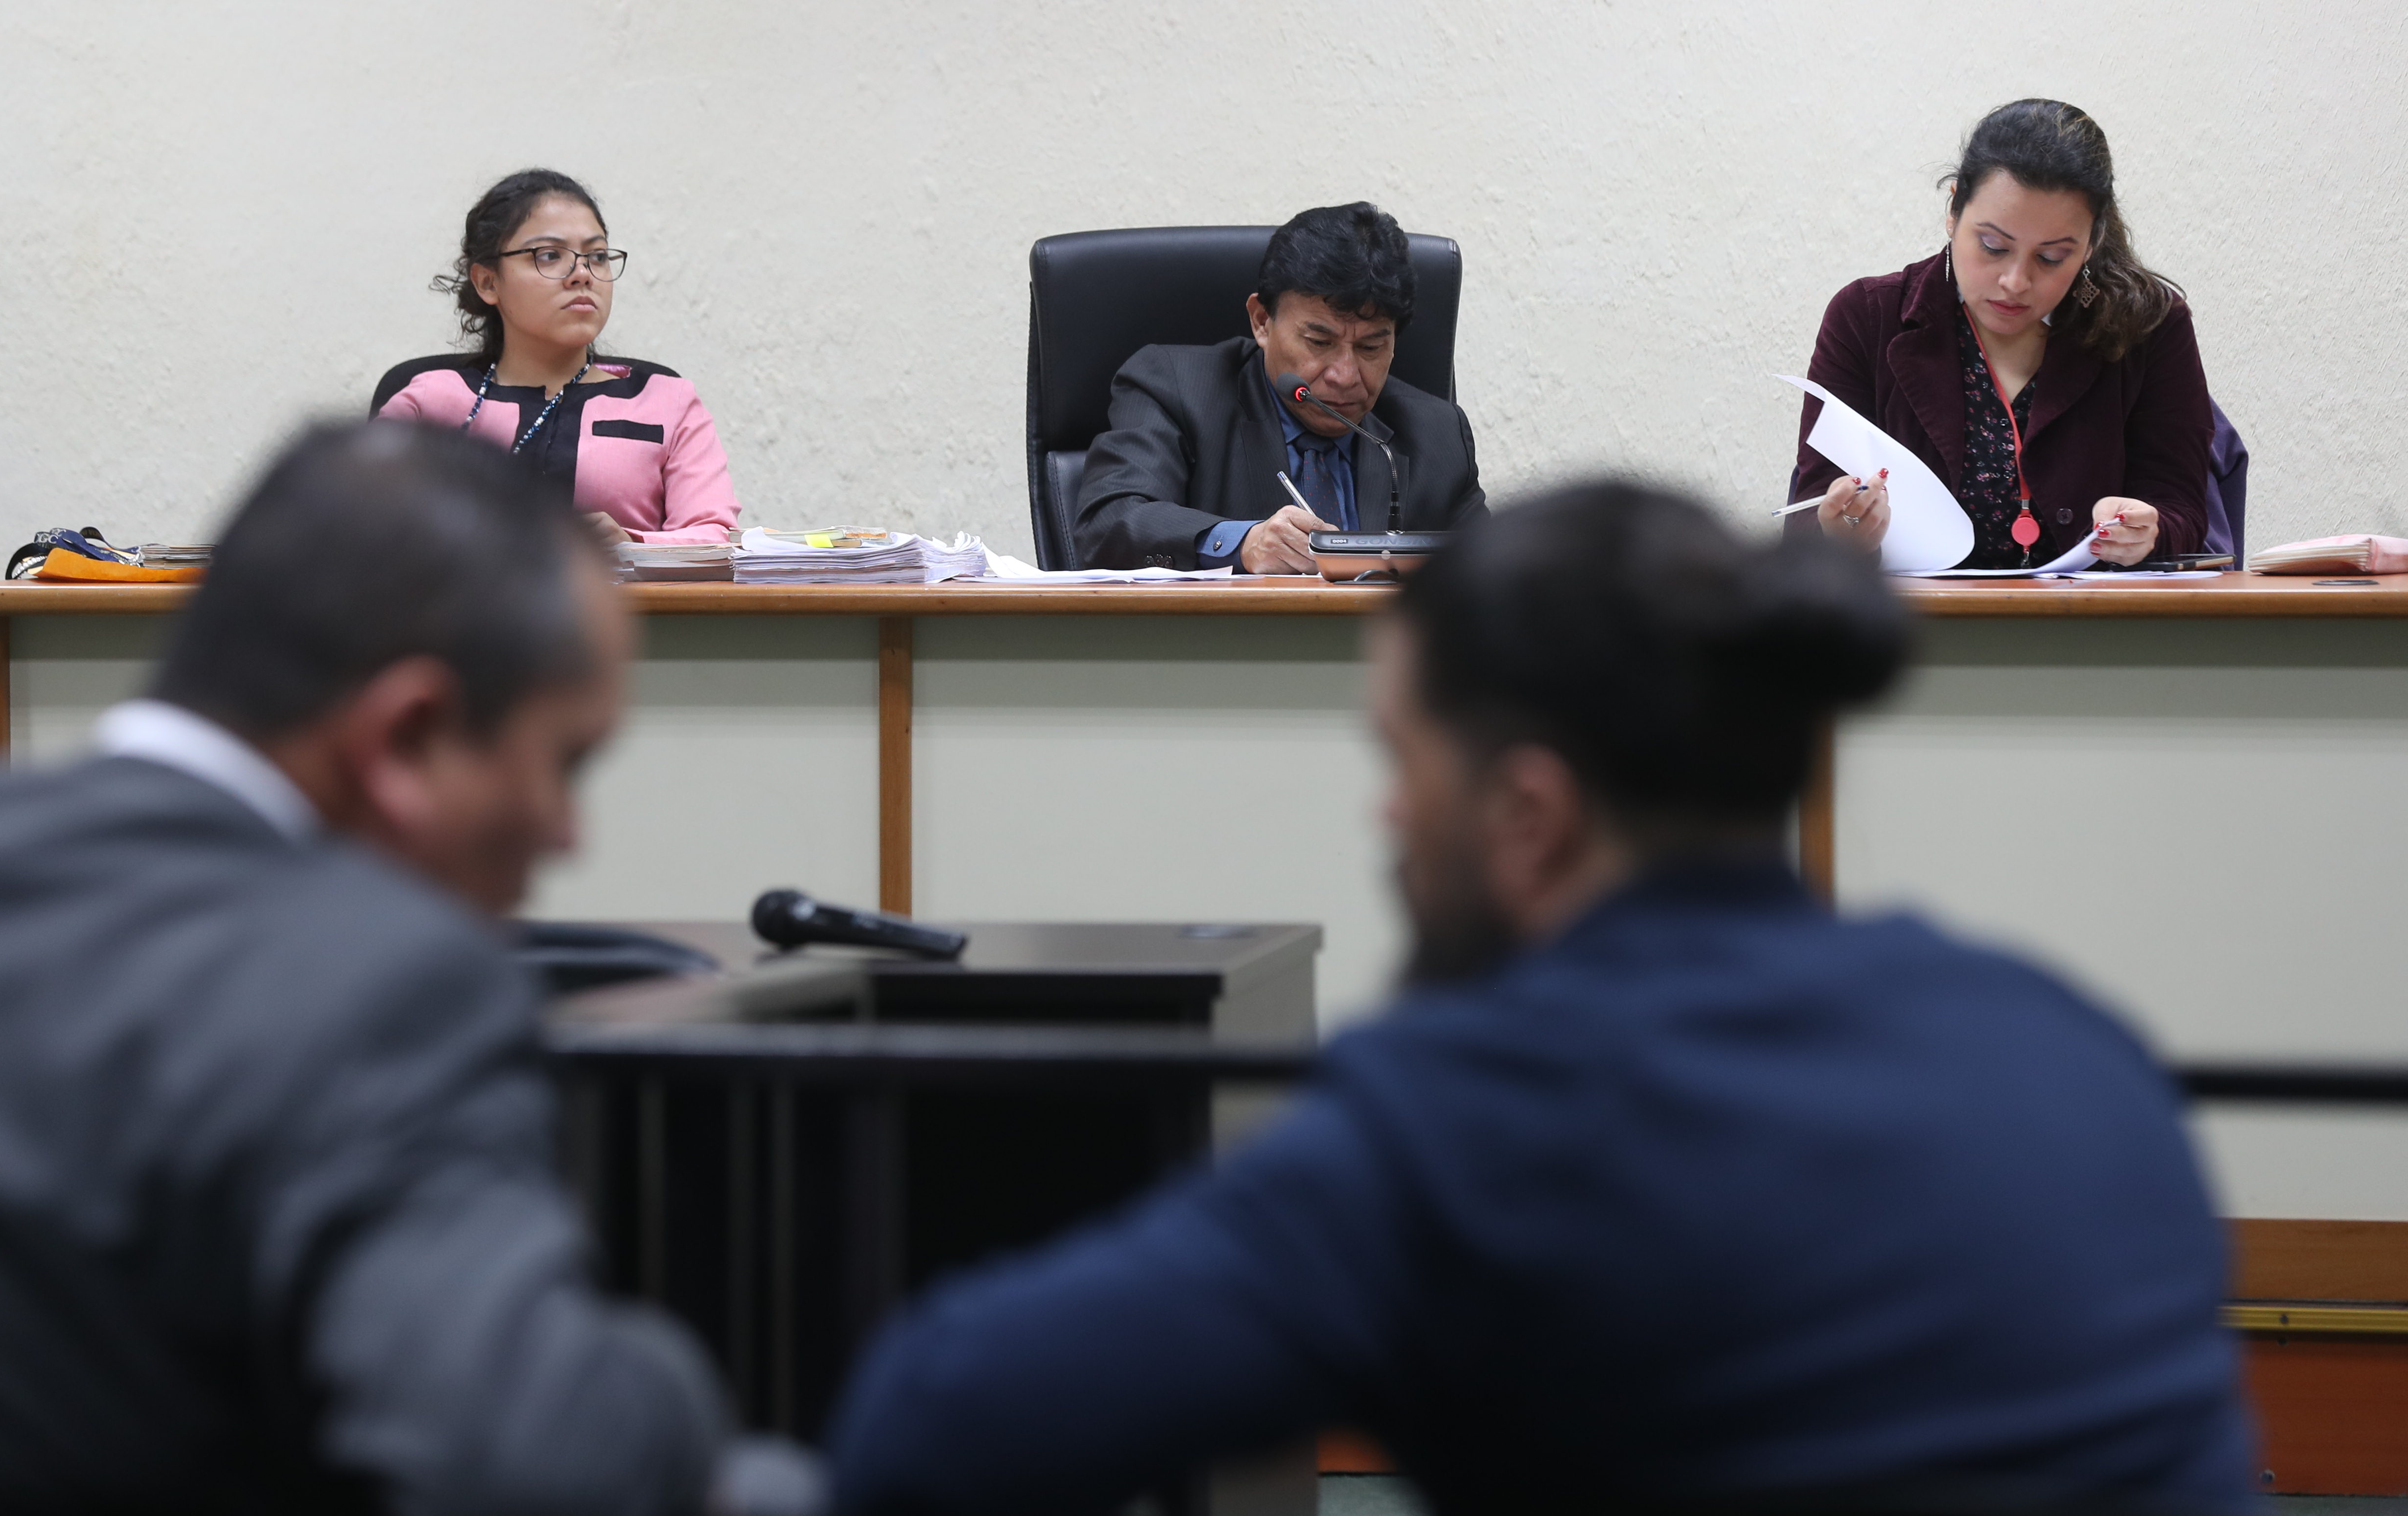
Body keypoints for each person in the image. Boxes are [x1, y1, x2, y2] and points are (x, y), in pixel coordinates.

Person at [828, 483, 2251, 1516]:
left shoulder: (1470, 1122)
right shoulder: (2068, 1042)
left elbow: (930, 1426)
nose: (1387, 817)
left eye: (1403, 761)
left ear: (1528, 813)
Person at [0, 422, 740, 1516]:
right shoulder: (379, 991)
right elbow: (541, 1468)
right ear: (408, 739)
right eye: (563, 762)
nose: (566, 835)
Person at [1790, 99, 2213, 570]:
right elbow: (1807, 518)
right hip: (1914, 629)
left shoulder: (2150, 325)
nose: (2015, 281)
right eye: (1993, 246)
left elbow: (2184, 511)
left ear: (2092, 243)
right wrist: (1843, 527)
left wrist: (2147, 530)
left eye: (2051, 258)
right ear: (1954, 210)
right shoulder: (1867, 318)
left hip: (2093, 626)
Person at [1072, 202, 1486, 572]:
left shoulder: (1438, 434)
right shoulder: (1175, 387)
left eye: (1371, 346)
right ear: (1262, 322)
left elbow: (1487, 575)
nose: (1344, 375)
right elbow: (1109, 524)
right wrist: (1240, 543)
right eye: (1319, 342)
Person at [375, 168, 741, 547]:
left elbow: (714, 537)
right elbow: (360, 525)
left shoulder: (667, 402)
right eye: (550, 256)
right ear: (488, 282)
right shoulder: (430, 400)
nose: (582, 274)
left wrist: (633, 546)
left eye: (597, 256)